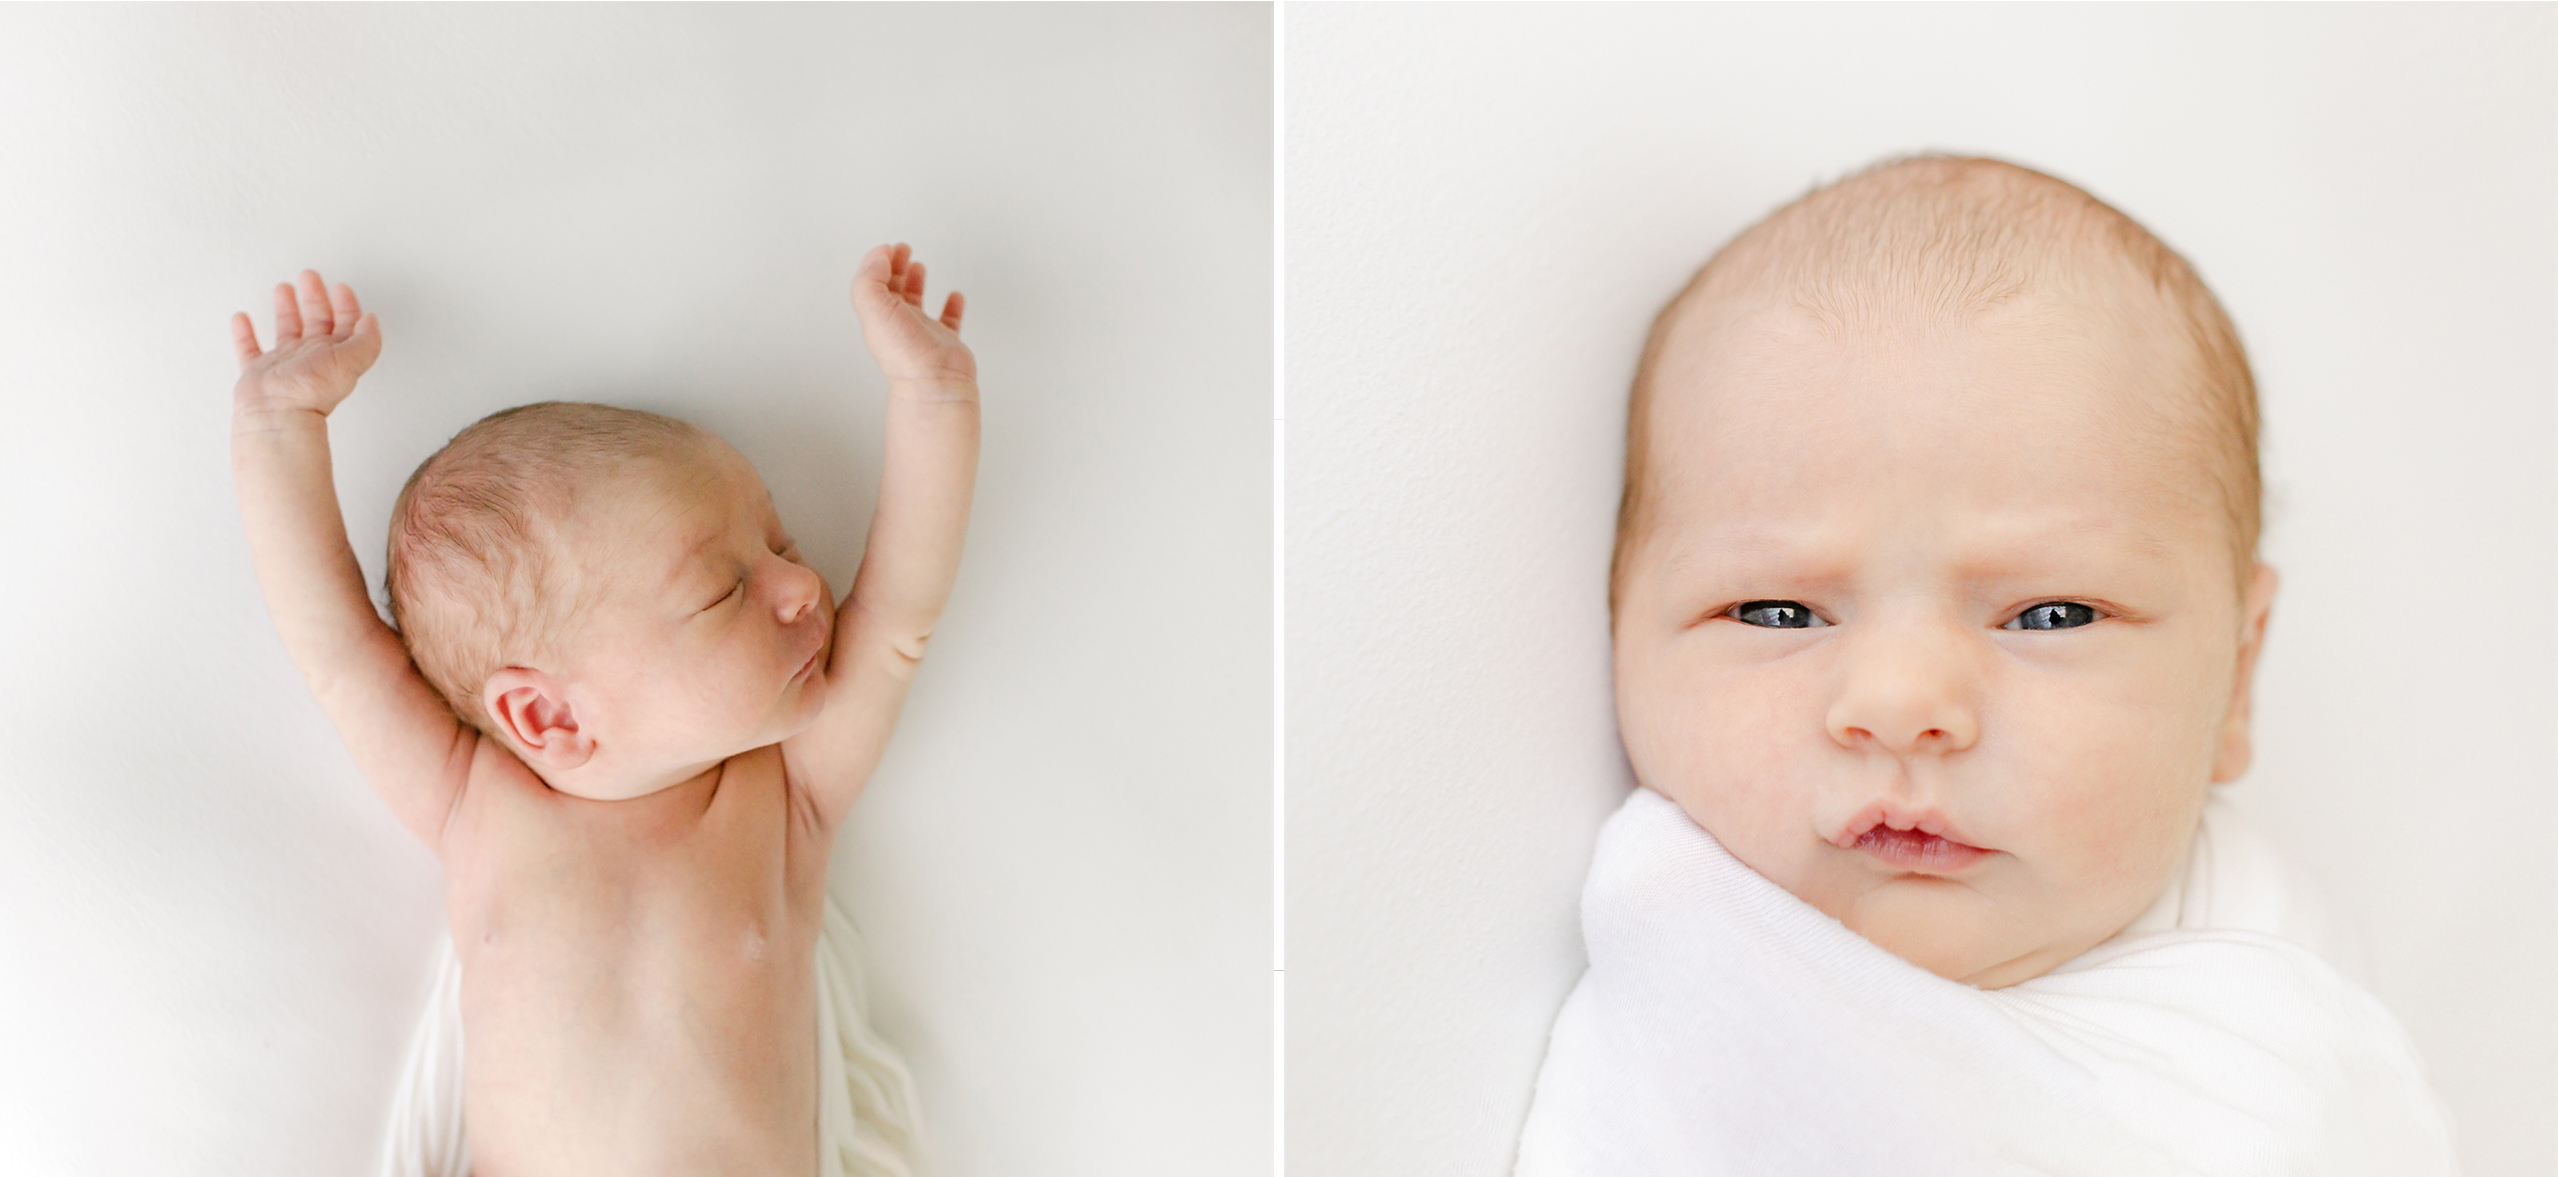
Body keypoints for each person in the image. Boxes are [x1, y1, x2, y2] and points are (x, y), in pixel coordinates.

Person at [1515, 156, 2455, 1174]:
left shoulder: (2276, 954)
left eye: (2048, 615)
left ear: (2234, 680)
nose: (1899, 705)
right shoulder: (1691, 965)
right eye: (1776, 610)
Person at [227, 243, 975, 1176]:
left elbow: (899, 615)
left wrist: (934, 398)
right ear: (548, 717)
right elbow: (338, 654)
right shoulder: (476, 802)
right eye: (723, 590)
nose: (802, 584)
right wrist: (276, 431)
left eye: (779, 538)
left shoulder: (785, 797)